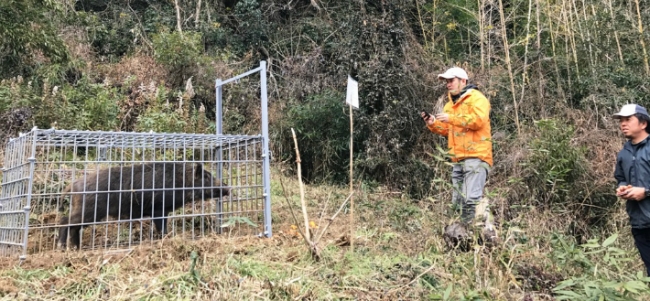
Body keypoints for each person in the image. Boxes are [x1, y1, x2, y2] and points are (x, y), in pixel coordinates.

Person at [421, 67, 493, 227]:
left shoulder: (477, 98)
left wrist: (452, 118)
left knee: (470, 199)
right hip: (458, 159)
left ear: (463, 81)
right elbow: (449, 130)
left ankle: (477, 235)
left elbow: (478, 121)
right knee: (458, 201)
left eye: (451, 80)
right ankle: (461, 237)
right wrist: (433, 123)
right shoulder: (449, 105)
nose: (448, 84)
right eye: (446, 81)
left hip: (477, 156)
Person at [613, 103, 650, 276]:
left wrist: (646, 192)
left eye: (628, 119)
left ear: (643, 124)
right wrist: (622, 188)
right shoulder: (624, 153)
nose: (623, 124)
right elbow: (620, 178)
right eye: (621, 120)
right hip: (639, 222)